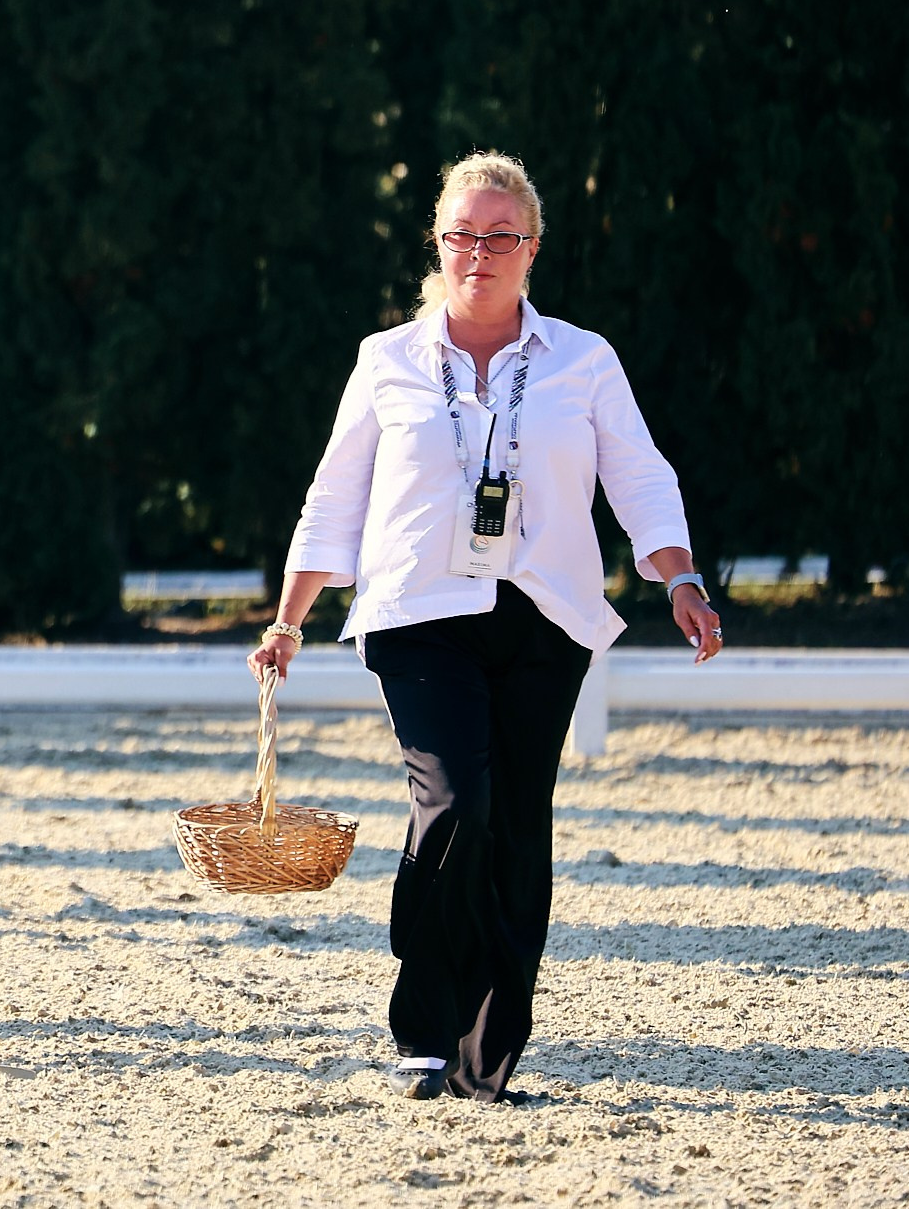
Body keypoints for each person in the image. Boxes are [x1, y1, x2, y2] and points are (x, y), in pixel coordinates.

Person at [252, 151, 721, 1104]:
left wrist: (680, 576)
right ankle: (424, 1028)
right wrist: (289, 619)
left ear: (532, 248)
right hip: (420, 616)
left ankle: (488, 1051)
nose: (480, 252)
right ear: (438, 240)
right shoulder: (387, 358)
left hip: (546, 616)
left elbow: (640, 477)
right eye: (463, 233)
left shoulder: (584, 360)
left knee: (517, 827)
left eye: (501, 235)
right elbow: (335, 495)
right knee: (457, 802)